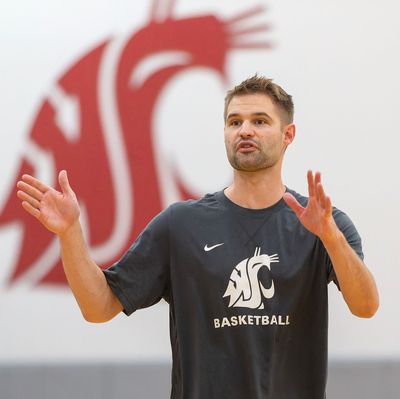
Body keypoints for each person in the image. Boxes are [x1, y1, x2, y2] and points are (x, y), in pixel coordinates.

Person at [16, 75, 379, 399]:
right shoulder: (181, 224)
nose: (245, 130)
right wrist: (70, 233)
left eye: (260, 121)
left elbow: (366, 306)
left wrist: (330, 238)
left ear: (288, 135)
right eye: (234, 122)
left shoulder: (322, 222)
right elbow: (99, 307)